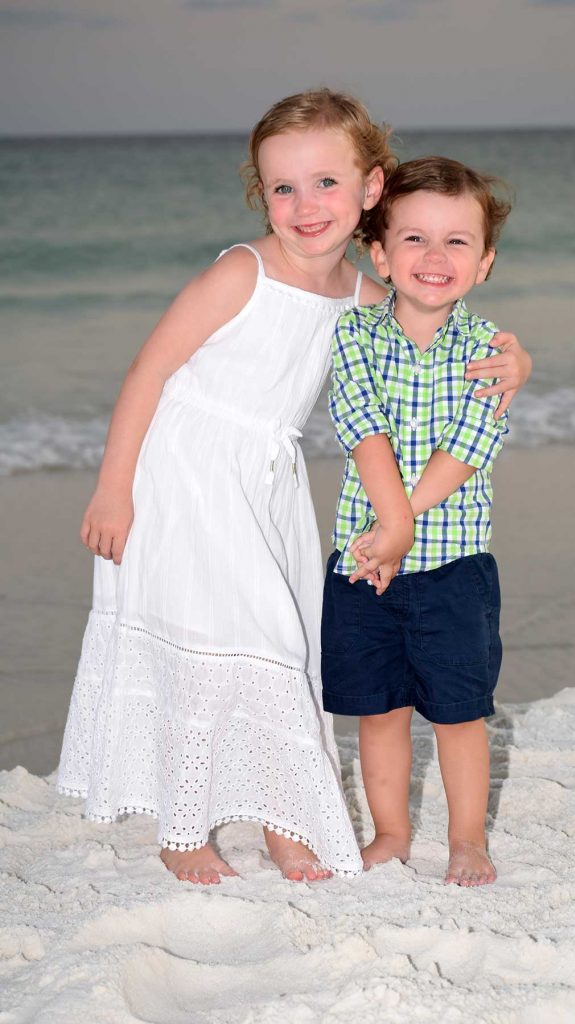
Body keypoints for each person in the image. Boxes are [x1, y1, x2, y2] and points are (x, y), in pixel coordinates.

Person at [57, 91, 531, 885]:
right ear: (261, 196)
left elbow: (436, 313)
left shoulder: (359, 295)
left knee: (286, 643)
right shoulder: (242, 272)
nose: (305, 206)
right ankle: (182, 830)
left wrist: (519, 363)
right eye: (283, 188)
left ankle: (283, 821)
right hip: (185, 474)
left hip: (264, 485)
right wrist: (113, 489)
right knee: (205, 639)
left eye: (325, 185)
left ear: (370, 191)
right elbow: (149, 372)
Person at [322, 156, 515, 887]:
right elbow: (360, 428)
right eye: (414, 240)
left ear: (484, 262)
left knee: (459, 714)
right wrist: (385, 532)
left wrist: (400, 525)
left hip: (453, 569)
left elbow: (469, 445)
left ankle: (467, 839)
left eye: (456, 242)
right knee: (379, 711)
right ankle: (391, 832)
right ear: (378, 253)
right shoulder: (354, 337)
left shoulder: (489, 351)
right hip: (361, 560)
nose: (434, 258)